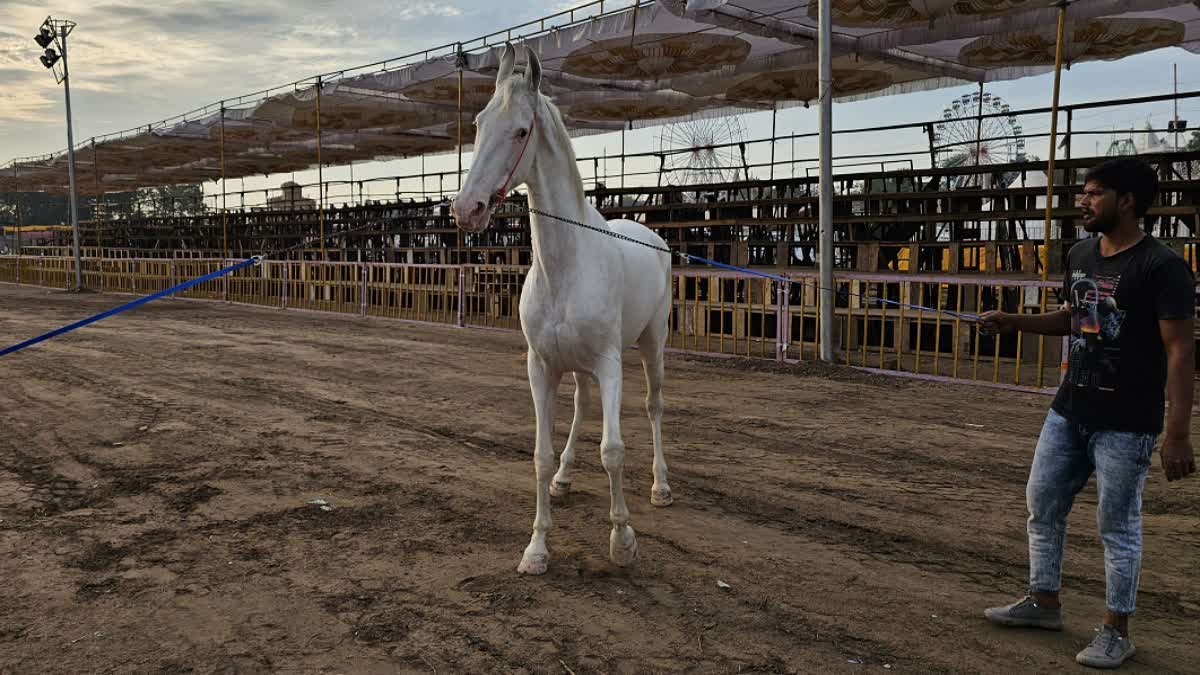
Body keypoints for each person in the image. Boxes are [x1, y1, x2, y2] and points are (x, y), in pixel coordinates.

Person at [979, 156, 1195, 669]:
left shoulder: (1161, 266)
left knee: (1117, 525)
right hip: (1070, 408)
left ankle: (1117, 629)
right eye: (1083, 192)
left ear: (1127, 201)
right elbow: (1077, 317)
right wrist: (1015, 321)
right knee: (1043, 505)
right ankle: (1043, 600)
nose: (1082, 201)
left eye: (1093, 193)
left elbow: (1181, 350)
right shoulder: (1079, 253)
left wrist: (1178, 432)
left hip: (1126, 421)